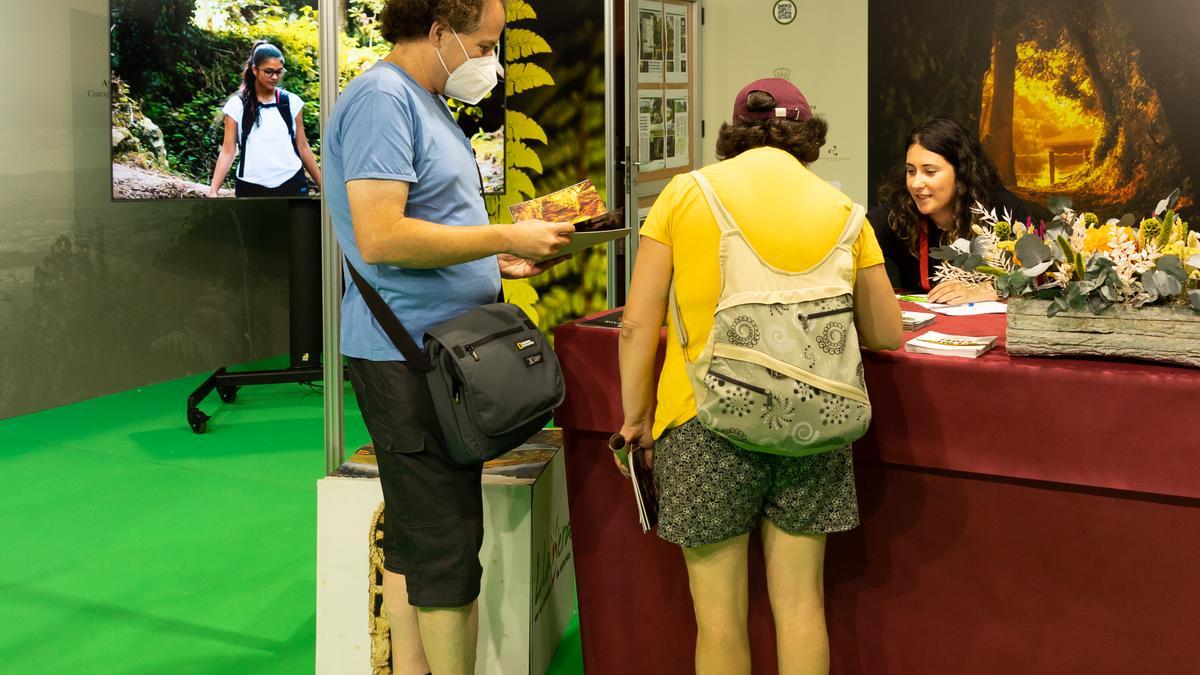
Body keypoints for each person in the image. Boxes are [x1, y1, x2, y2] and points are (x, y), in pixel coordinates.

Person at [617, 78, 902, 675]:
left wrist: (637, 420)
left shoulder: (683, 194)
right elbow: (885, 333)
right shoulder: (845, 211)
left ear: (733, 131)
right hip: (814, 423)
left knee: (718, 621)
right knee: (801, 609)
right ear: (807, 137)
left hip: (699, 423)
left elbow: (637, 327)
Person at [322, 1, 574, 673]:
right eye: (485, 44)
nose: (491, 60)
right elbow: (382, 236)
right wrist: (502, 235)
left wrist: (493, 260)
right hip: (407, 358)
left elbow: (429, 224)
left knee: (417, 541)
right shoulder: (381, 99)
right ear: (438, 33)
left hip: (443, 352)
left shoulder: (423, 100)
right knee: (447, 549)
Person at [868, 116, 1031, 304]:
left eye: (929, 172)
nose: (916, 183)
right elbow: (849, 250)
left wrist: (987, 290)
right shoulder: (898, 213)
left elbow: (1043, 277)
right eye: (911, 171)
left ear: (961, 171)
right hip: (924, 329)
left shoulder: (1002, 208)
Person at [207, 41, 322, 197]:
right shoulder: (237, 105)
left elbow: (302, 146)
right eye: (269, 72)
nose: (275, 77)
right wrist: (214, 189)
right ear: (255, 70)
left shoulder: (291, 102)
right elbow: (228, 150)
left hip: (291, 182)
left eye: (279, 72)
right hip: (251, 186)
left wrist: (322, 184)